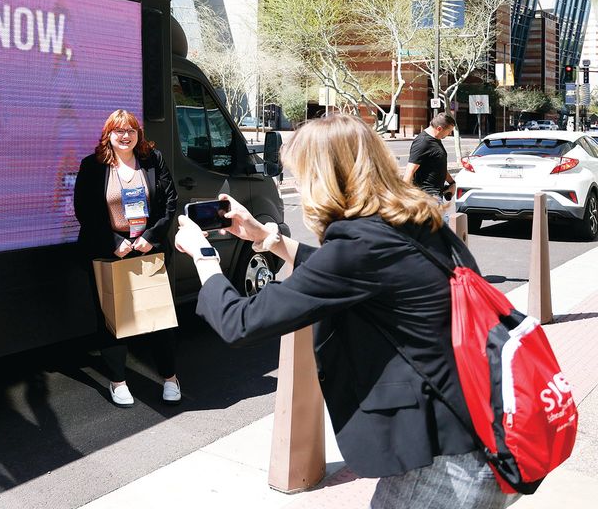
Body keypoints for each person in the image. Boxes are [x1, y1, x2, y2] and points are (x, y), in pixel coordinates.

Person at [175, 115, 509, 509]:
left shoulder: (359, 244)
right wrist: (268, 238)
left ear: (324, 177)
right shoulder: (411, 220)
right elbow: (352, 274)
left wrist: (203, 257)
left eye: (300, 174)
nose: (298, 184)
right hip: (479, 425)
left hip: (448, 456)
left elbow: (242, 322)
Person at [73, 109, 180, 407]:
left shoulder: (152, 160)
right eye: (118, 130)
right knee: (112, 318)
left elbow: (171, 202)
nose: (125, 135)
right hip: (111, 253)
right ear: (108, 135)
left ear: (138, 134)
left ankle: (170, 378)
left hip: (149, 250)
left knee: (160, 318)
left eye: (131, 130)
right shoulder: (92, 166)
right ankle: (117, 381)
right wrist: (114, 242)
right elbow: (85, 212)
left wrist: (151, 237)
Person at [405, 112, 456, 199]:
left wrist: (452, 183)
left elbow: (438, 165)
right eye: (449, 131)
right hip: (427, 197)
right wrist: (404, 198)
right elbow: (410, 171)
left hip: (436, 194)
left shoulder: (436, 139)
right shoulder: (423, 142)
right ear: (439, 128)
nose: (450, 134)